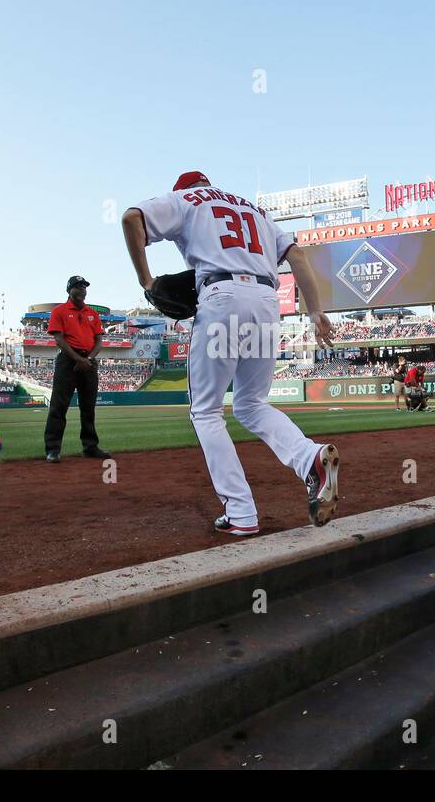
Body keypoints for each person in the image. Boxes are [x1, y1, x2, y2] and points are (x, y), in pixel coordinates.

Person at [122, 171, 341, 535]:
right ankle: (309, 457)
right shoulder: (255, 210)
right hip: (267, 302)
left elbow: (132, 219)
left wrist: (147, 282)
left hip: (221, 296)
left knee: (206, 410)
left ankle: (240, 511)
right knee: (251, 404)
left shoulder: (184, 200)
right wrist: (315, 310)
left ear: (185, 189)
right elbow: (298, 255)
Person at [43, 275, 110, 463]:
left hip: (88, 361)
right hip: (68, 361)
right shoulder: (59, 311)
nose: (82, 290)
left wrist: (88, 359)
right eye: (78, 287)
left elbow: (99, 340)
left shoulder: (92, 313)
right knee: (59, 406)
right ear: (69, 290)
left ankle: (90, 447)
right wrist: (78, 359)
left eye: (84, 287)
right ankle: (53, 449)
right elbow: (59, 339)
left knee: (88, 407)